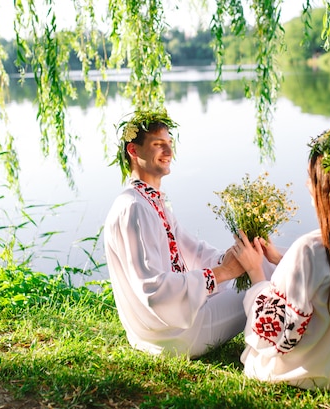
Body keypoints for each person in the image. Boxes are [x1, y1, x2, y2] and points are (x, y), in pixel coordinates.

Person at [230, 130, 330, 390]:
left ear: (326, 189)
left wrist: (256, 273)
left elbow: (278, 335)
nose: (307, 184)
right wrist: (280, 258)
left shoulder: (308, 249)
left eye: (312, 178)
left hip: (305, 373)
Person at [103, 109, 248, 358]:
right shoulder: (134, 208)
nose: (169, 153)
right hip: (172, 337)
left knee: (255, 273)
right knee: (263, 289)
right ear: (133, 151)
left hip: (167, 330)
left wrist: (236, 257)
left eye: (169, 144)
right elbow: (153, 289)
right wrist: (223, 273)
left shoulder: (150, 201)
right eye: (158, 145)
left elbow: (192, 249)